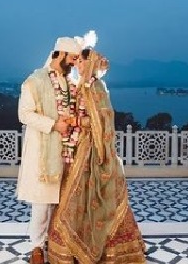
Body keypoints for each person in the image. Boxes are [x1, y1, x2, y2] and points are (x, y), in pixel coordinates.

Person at [47, 43, 146, 264]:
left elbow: (101, 120)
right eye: (77, 61)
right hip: (79, 148)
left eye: (81, 61)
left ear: (90, 63)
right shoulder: (83, 85)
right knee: (73, 199)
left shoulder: (95, 87)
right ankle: (72, 250)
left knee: (92, 200)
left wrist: (74, 121)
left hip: (93, 151)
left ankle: (108, 252)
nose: (78, 65)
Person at [17, 36, 82, 264]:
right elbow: (24, 114)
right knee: (42, 203)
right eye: (72, 58)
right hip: (43, 153)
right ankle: (36, 247)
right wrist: (54, 124)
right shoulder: (35, 80)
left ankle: (56, 243)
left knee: (62, 202)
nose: (74, 63)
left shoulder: (70, 83)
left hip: (67, 150)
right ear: (60, 54)